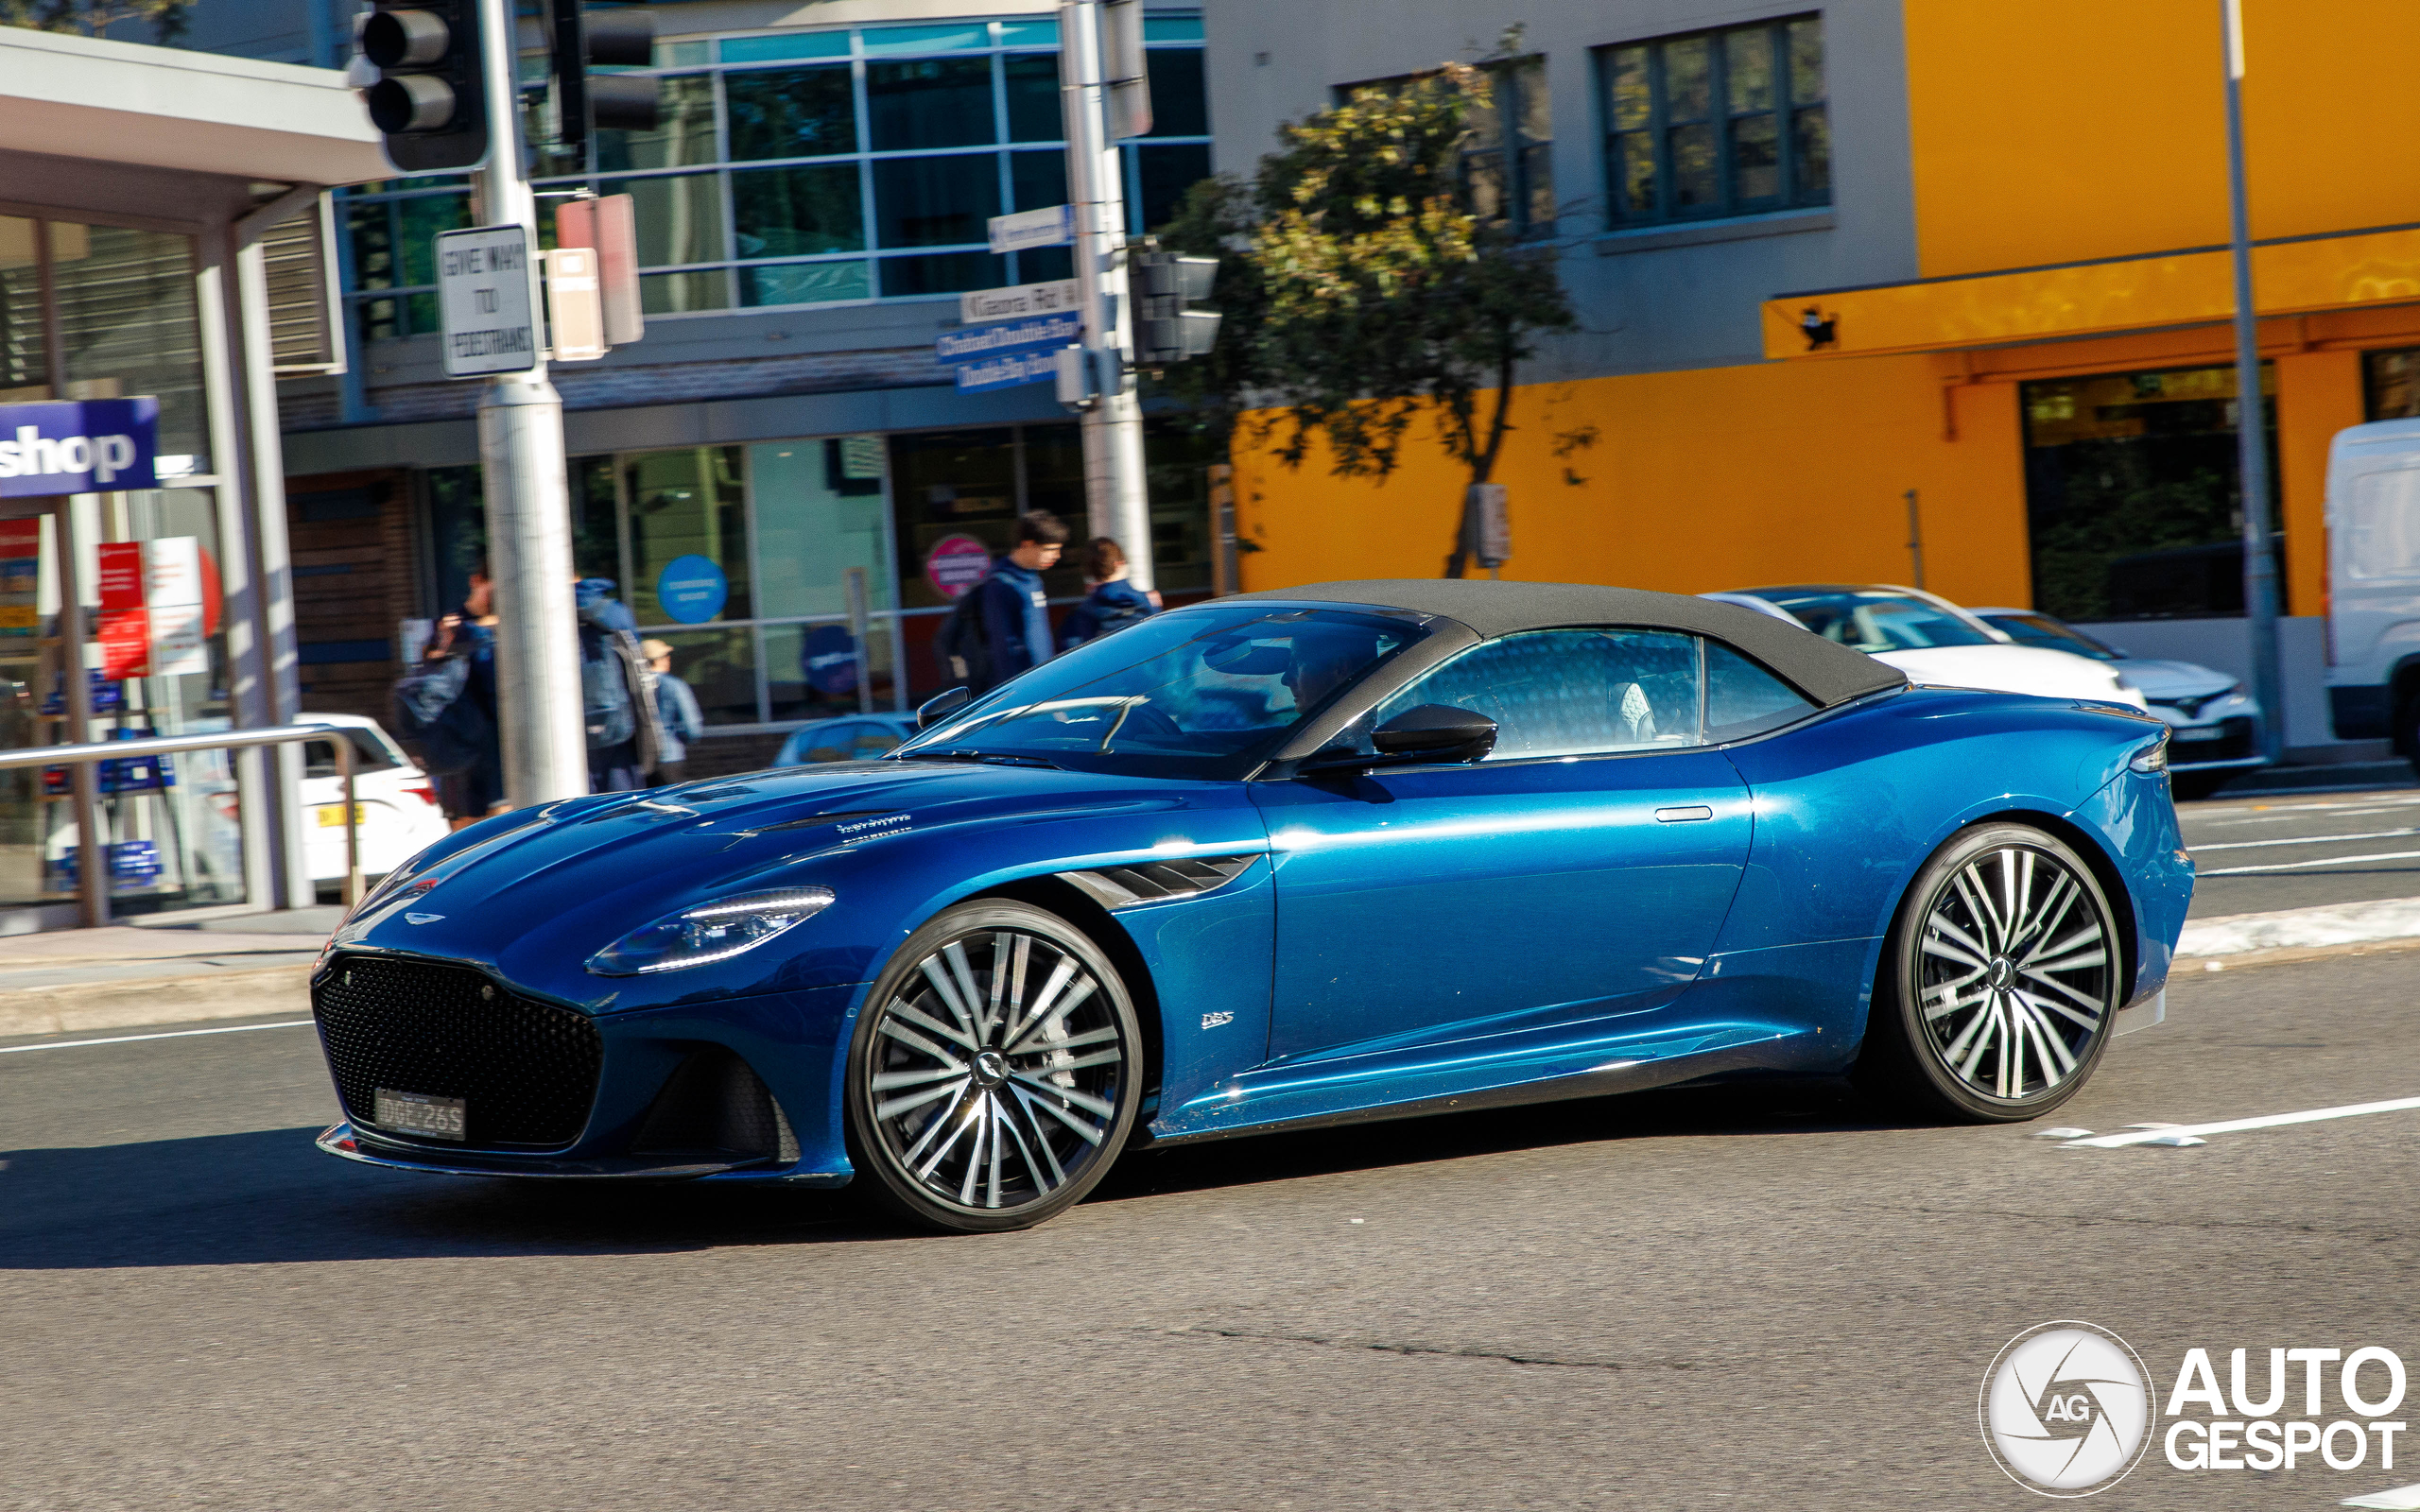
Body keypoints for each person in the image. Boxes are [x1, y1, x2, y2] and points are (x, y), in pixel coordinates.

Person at [424, 564, 504, 831]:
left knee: (506, 818)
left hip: (497, 742)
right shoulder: (451, 625)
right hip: (461, 741)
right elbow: (429, 680)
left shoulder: (511, 625)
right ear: (476, 581)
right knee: (465, 826)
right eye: (492, 591)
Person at [575, 576, 665, 793]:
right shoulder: (613, 611)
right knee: (624, 803)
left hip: (572, 730)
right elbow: (637, 664)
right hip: (619, 724)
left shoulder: (543, 611)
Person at [969, 509, 1069, 693]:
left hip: (1043, 683)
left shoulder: (1032, 580)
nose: (1056, 556)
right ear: (1028, 544)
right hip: (1023, 691)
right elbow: (1003, 649)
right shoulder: (1001, 585)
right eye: (1049, 549)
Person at [1058, 537, 1161, 651]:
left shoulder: (1082, 611)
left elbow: (1072, 651)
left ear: (1090, 571)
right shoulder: (1149, 600)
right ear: (1119, 564)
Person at [642, 638, 704, 787]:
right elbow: (692, 726)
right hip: (669, 756)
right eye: (666, 656)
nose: (668, 660)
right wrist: (680, 741)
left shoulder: (632, 685)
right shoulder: (674, 685)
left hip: (638, 759)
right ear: (659, 660)